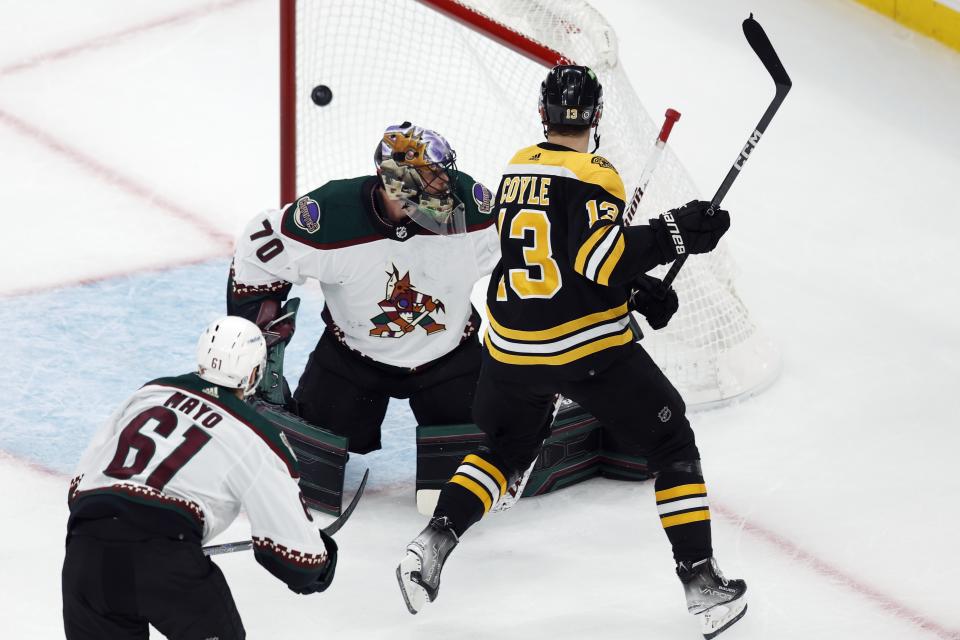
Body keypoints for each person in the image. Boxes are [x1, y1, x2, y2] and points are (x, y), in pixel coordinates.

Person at [396, 66, 748, 638]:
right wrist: (676, 232)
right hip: (582, 347)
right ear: (596, 117)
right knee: (670, 441)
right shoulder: (595, 172)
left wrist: (638, 289)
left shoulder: (516, 166)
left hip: (509, 348)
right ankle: (702, 583)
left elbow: (560, 260)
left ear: (544, 116)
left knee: (506, 450)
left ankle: (432, 542)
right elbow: (600, 262)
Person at [227, 122, 499, 456]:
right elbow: (259, 247)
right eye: (432, 176)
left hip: (450, 357)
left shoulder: (471, 210)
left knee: (488, 447)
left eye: (443, 172)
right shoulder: (328, 216)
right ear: (396, 182)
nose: (446, 183)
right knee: (307, 454)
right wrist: (256, 329)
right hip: (353, 360)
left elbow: (528, 253)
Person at [62, 316, 337, 640]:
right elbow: (296, 561)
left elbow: (79, 489)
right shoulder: (254, 435)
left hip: (85, 554)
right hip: (166, 562)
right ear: (254, 373)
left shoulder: (149, 393)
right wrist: (322, 561)